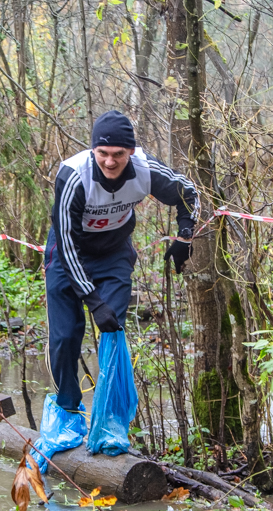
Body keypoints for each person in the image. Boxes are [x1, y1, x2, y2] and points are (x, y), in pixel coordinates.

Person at [45, 110, 199, 413]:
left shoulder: (146, 170)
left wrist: (184, 237)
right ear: (93, 150)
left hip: (114, 251)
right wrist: (93, 300)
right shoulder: (73, 176)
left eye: (118, 154)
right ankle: (67, 411)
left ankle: (110, 417)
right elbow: (65, 242)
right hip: (68, 252)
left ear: (131, 150)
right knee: (64, 337)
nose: (110, 162)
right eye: (102, 153)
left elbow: (190, 193)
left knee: (113, 331)